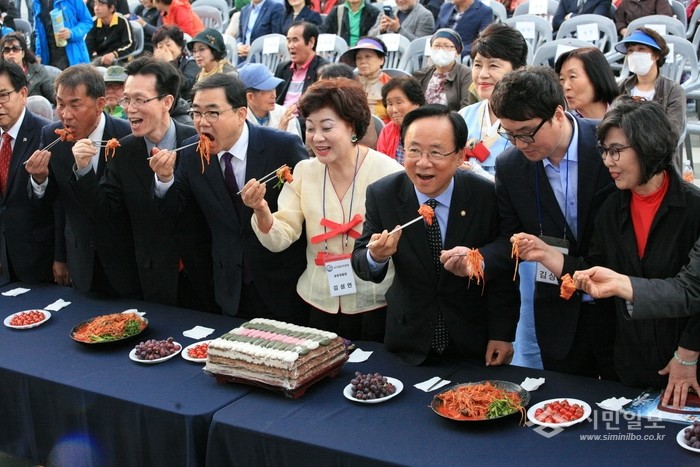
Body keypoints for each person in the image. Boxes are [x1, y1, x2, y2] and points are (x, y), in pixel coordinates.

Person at [513, 99, 700, 405]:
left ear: (649, 145)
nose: (607, 161)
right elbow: (595, 271)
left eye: (616, 150)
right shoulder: (610, 206)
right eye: (603, 151)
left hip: (685, 363)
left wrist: (688, 353)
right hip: (629, 364)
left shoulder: (693, 209)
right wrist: (546, 254)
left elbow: (694, 290)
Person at [352, 104, 520, 366]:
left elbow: (505, 265)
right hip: (408, 339)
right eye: (414, 150)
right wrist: (377, 256)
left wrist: (502, 333)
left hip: (473, 339)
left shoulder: (486, 196)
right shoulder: (384, 194)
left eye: (436, 152)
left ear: (460, 155)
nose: (423, 162)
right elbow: (361, 259)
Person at [242, 78, 403, 340]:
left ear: (352, 126)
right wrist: (261, 209)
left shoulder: (389, 173)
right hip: (317, 299)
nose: (317, 138)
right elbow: (281, 237)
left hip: (375, 302)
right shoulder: (304, 171)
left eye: (327, 127)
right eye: (310, 128)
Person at [491, 66, 618, 380]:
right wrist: (475, 258)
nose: (520, 143)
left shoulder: (609, 143)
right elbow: (510, 241)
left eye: (526, 132)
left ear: (558, 114)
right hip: (559, 315)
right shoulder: (510, 166)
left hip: (618, 307)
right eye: (509, 134)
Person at [149, 74, 309, 321]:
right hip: (229, 286)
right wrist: (164, 178)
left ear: (240, 114)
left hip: (282, 283)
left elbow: (306, 209)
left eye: (213, 113)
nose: (202, 122)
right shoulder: (192, 153)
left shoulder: (282, 147)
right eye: (196, 113)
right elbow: (176, 211)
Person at [68, 57, 217, 313]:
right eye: (126, 100)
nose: (130, 109)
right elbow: (106, 213)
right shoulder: (123, 151)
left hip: (204, 275)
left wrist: (166, 181)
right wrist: (84, 170)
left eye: (139, 100)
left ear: (167, 102)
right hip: (151, 279)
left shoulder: (198, 144)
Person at [24, 65, 141, 298]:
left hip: (126, 261)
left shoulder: (126, 136)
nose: (66, 115)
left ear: (100, 104)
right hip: (80, 261)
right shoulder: (52, 136)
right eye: (60, 104)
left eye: (75, 105)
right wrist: (39, 179)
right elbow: (53, 204)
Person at [0, 60, 59, 285]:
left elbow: (61, 203)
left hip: (39, 258)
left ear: (23, 94)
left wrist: (39, 179)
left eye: (3, 95)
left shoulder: (47, 134)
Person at [459, 23, 527, 177]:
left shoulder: (528, 121)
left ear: (518, 70)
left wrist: (476, 173)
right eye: (477, 65)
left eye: (493, 65)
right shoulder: (464, 116)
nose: (482, 74)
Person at [615, 28, 685, 169]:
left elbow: (671, 134)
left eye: (641, 49)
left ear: (656, 55)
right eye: (630, 51)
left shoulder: (673, 90)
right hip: (624, 161)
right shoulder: (621, 87)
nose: (635, 54)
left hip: (659, 163)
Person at [413, 29, 472, 112]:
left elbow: (467, 107)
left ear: (456, 52)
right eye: (437, 45)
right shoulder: (421, 74)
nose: (441, 50)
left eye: (447, 46)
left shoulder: (466, 74)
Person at [555, 47, 619, 121]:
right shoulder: (566, 124)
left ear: (597, 77)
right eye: (561, 79)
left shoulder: (626, 116)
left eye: (572, 76)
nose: (565, 86)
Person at [239, 63, 302, 138]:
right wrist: (279, 136)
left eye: (274, 88)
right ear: (250, 97)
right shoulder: (238, 119)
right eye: (268, 90)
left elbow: (296, 145)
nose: (274, 95)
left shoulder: (284, 115)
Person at [339, 36, 392, 123]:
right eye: (358, 58)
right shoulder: (350, 84)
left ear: (381, 60)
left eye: (368, 56)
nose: (362, 61)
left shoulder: (390, 85)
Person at [274, 21, 327, 108]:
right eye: (288, 41)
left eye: (295, 40)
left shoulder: (323, 70)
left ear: (311, 42)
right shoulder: (282, 68)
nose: (290, 46)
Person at [376, 76, 424, 164]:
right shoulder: (387, 131)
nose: (394, 110)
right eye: (390, 104)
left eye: (399, 102)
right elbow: (381, 164)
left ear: (416, 103)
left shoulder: (429, 130)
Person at [32, 0, 93, 69]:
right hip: (49, 58)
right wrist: (39, 54)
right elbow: (38, 32)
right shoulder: (37, 2)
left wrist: (71, 33)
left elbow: (87, 21)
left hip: (72, 56)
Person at [0, 32, 56, 104]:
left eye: (15, 49)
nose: (11, 53)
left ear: (23, 53)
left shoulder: (38, 71)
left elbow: (51, 94)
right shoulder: (1, 75)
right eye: (7, 50)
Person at [152, 24, 199, 103]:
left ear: (180, 46)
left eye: (168, 45)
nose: (165, 50)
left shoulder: (191, 62)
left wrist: (170, 62)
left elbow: (184, 85)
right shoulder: (155, 64)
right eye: (160, 46)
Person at [85, 0, 135, 66]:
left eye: (101, 4)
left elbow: (130, 44)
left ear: (111, 8)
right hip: (101, 59)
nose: (96, 8)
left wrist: (114, 54)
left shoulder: (122, 21)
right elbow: (88, 46)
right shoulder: (93, 22)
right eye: (95, 4)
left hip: (121, 59)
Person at [369, 0, 434, 41]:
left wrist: (398, 29)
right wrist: (381, 30)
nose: (400, 0)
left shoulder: (425, 15)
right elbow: (370, 36)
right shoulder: (386, 12)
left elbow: (420, 45)